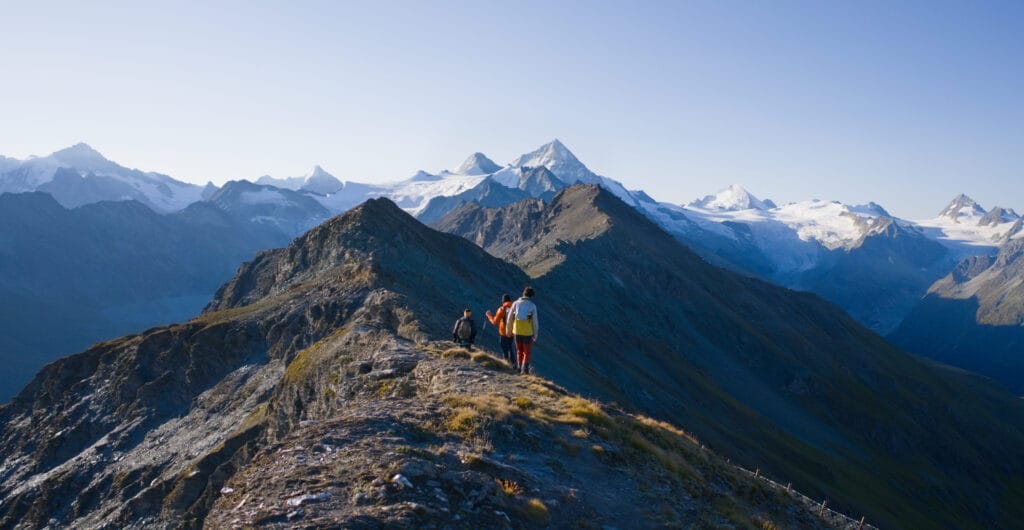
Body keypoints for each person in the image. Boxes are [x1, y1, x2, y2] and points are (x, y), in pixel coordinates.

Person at [506, 287, 538, 374]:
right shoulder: (532, 306)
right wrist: (535, 334)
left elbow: (509, 318)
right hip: (527, 333)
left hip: (517, 331)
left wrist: (508, 330)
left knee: (519, 351)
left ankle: (519, 368)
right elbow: (534, 322)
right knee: (527, 352)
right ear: (531, 296)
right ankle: (526, 369)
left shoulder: (515, 304)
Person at [485, 294, 516, 367]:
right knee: (510, 346)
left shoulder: (502, 309)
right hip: (512, 332)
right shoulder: (515, 308)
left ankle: (507, 362)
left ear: (503, 301)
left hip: (504, 333)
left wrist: (489, 316)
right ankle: (513, 364)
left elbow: (495, 322)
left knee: (504, 346)